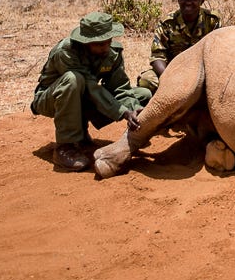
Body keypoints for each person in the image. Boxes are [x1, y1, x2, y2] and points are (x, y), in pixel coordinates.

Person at [31, 11, 152, 171]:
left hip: (84, 97)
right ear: (86, 42)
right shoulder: (66, 51)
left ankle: (81, 138)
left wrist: (132, 107)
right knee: (73, 79)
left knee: (143, 95)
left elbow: (120, 87)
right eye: (100, 43)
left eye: (108, 41)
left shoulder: (112, 52)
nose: (106, 47)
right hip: (50, 100)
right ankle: (65, 146)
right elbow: (89, 86)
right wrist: (123, 112)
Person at [137, 0, 221, 92]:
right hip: (172, 72)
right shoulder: (167, 23)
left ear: (202, 0)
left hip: (203, 73)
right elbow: (157, 57)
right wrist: (170, 79)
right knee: (146, 80)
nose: (188, 2)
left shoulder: (212, 21)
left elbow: (218, 56)